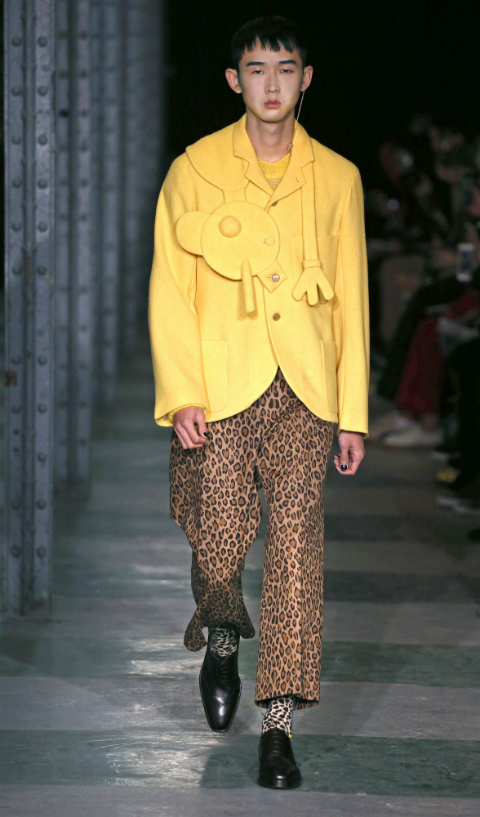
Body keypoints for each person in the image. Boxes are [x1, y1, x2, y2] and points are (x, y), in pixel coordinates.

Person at [148, 15, 369, 790]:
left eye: (285, 69)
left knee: (297, 551)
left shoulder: (338, 177)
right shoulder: (195, 169)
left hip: (305, 392)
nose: (271, 84)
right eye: (256, 69)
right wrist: (182, 392)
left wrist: (353, 412)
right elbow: (171, 290)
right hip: (220, 385)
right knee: (216, 538)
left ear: (305, 78)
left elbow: (352, 300)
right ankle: (221, 632)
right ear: (233, 80)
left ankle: (278, 725)